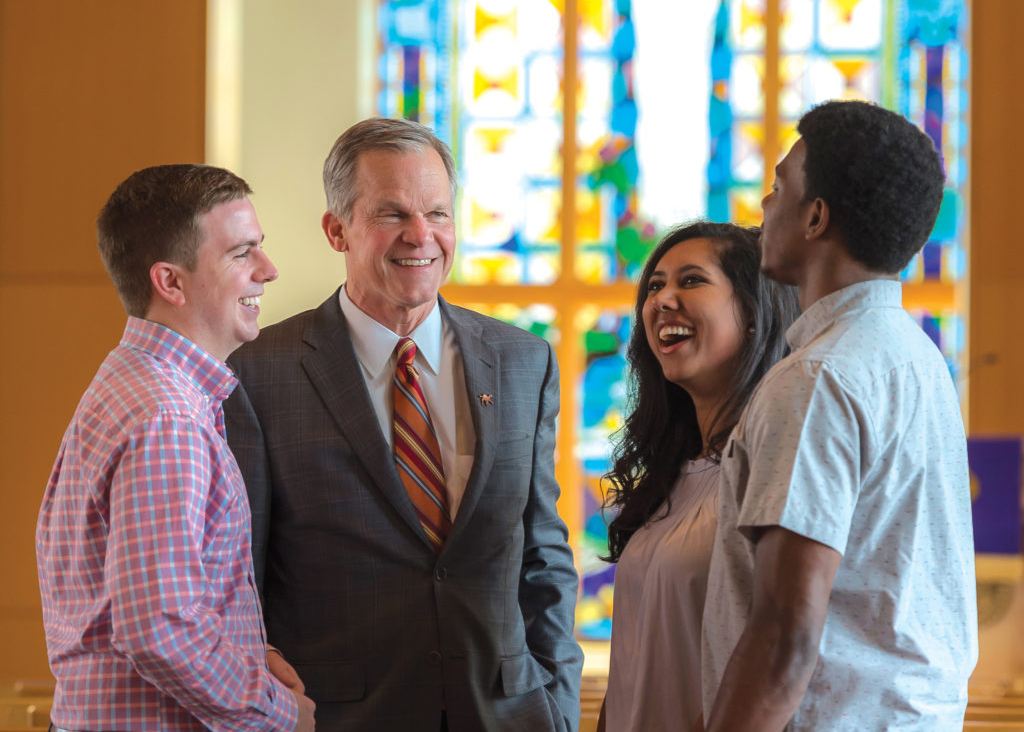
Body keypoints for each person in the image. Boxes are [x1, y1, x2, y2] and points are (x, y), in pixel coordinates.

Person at [223, 117, 583, 731]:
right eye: (393, 214)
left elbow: (543, 557)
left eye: (438, 214)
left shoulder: (524, 360)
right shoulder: (258, 373)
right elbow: (241, 578)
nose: (422, 236)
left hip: (508, 713)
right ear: (337, 230)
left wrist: (557, 704)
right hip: (340, 717)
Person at [701, 99, 978, 731]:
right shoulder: (915, 358)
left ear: (816, 216)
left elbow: (783, 637)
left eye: (778, 188)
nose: (764, 207)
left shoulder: (818, 377)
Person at [35, 164, 316, 731]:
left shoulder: (138, 385)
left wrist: (244, 659)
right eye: (242, 254)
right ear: (170, 282)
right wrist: (278, 714)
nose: (269, 270)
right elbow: (158, 625)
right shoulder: (167, 417)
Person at [596, 223, 798, 732]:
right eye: (655, 286)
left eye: (691, 281)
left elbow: (785, 648)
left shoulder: (774, 463)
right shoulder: (676, 472)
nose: (663, 300)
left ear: (753, 313)